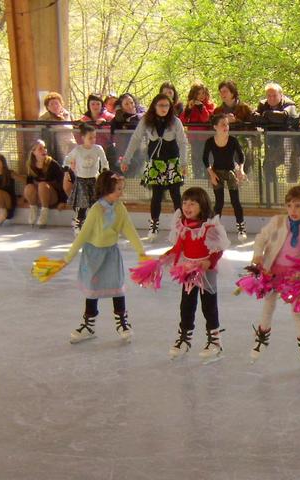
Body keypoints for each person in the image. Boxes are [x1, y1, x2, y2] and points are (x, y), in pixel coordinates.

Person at [62, 171, 146, 344]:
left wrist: (141, 253)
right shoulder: (95, 210)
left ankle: (122, 322)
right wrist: (67, 258)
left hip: (111, 254)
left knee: (117, 287)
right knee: (92, 289)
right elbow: (82, 235)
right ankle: (89, 325)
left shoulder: (120, 208)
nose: (121, 192)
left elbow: (130, 230)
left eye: (121, 188)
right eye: (118, 189)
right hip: (93, 255)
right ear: (107, 189)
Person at [250, 184, 300, 368]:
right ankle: (261, 338)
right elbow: (261, 238)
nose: (293, 210)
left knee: (297, 311)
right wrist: (258, 254)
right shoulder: (277, 221)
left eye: (299, 205)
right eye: (290, 205)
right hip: (273, 271)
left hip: (296, 277)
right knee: (269, 304)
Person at [163, 187, 230, 360]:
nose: (187, 207)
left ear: (202, 206)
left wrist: (210, 262)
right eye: (185, 202)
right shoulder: (183, 225)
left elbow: (218, 249)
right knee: (186, 304)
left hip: (206, 270)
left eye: (193, 203)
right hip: (188, 269)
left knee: (209, 306)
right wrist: (165, 257)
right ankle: (185, 337)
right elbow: (179, 247)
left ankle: (215, 341)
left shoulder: (209, 226)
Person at [121, 94, 188, 241]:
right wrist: (126, 159)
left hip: (172, 162)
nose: (163, 108)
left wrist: (183, 163)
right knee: (156, 195)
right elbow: (135, 139)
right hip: (155, 163)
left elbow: (183, 143)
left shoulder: (175, 122)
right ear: (154, 106)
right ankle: (154, 225)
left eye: (166, 106)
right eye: (160, 105)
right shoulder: (146, 121)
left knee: (175, 194)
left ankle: (181, 225)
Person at [203, 114, 248, 241]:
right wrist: (211, 174)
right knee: (219, 203)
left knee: (235, 202)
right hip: (217, 173)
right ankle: (214, 229)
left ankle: (241, 228)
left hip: (231, 172)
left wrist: (241, 170)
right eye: (222, 124)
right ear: (215, 127)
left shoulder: (233, 140)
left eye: (227, 124)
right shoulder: (210, 141)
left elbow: (241, 156)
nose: (226, 127)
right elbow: (205, 159)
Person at [65, 123, 109, 235]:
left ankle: (98, 224)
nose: (93, 139)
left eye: (94, 137)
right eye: (90, 137)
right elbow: (68, 158)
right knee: (82, 204)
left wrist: (105, 170)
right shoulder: (78, 150)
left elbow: (104, 161)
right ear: (83, 138)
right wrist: (66, 168)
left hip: (94, 179)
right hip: (81, 180)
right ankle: (79, 223)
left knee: (96, 203)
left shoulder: (98, 149)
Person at [253, 83, 296, 184]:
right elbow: (254, 117)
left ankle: (294, 193)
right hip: (271, 144)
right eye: (269, 96)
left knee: (291, 168)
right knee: (268, 166)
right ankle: (272, 192)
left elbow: (283, 116)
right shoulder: (263, 104)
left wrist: (266, 115)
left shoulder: (290, 104)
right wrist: (271, 119)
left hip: (289, 144)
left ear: (281, 95)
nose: (271, 98)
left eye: (274, 95)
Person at [23, 139, 67, 228]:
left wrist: (63, 201)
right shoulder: (31, 165)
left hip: (52, 197)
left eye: (45, 148)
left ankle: (44, 213)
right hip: (38, 198)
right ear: (33, 152)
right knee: (29, 187)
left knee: (42, 185)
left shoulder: (52, 164)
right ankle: (33, 209)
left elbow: (62, 182)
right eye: (40, 149)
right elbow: (29, 182)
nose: (44, 150)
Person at [180, 82, 215, 179]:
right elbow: (182, 121)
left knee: (207, 161)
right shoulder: (190, 105)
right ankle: (198, 181)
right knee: (196, 162)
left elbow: (205, 118)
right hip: (194, 140)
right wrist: (188, 109)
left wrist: (201, 107)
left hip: (207, 139)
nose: (201, 96)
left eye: (203, 93)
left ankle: (209, 181)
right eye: (198, 94)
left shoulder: (209, 105)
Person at [110, 93, 144, 176]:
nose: (130, 106)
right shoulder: (118, 119)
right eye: (126, 104)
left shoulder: (142, 115)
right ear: (121, 106)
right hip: (124, 151)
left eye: (131, 103)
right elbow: (113, 131)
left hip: (140, 150)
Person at [38, 91, 76, 163]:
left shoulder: (68, 115)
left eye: (56, 103)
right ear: (47, 107)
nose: (55, 106)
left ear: (61, 104)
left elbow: (75, 127)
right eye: (51, 104)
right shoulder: (44, 119)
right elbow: (38, 134)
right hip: (55, 147)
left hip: (71, 145)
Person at [0, 154, 16, 226]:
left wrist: (24, 198)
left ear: (3, 164)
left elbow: (25, 181)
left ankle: (3, 211)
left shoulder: (9, 173)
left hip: (8, 205)